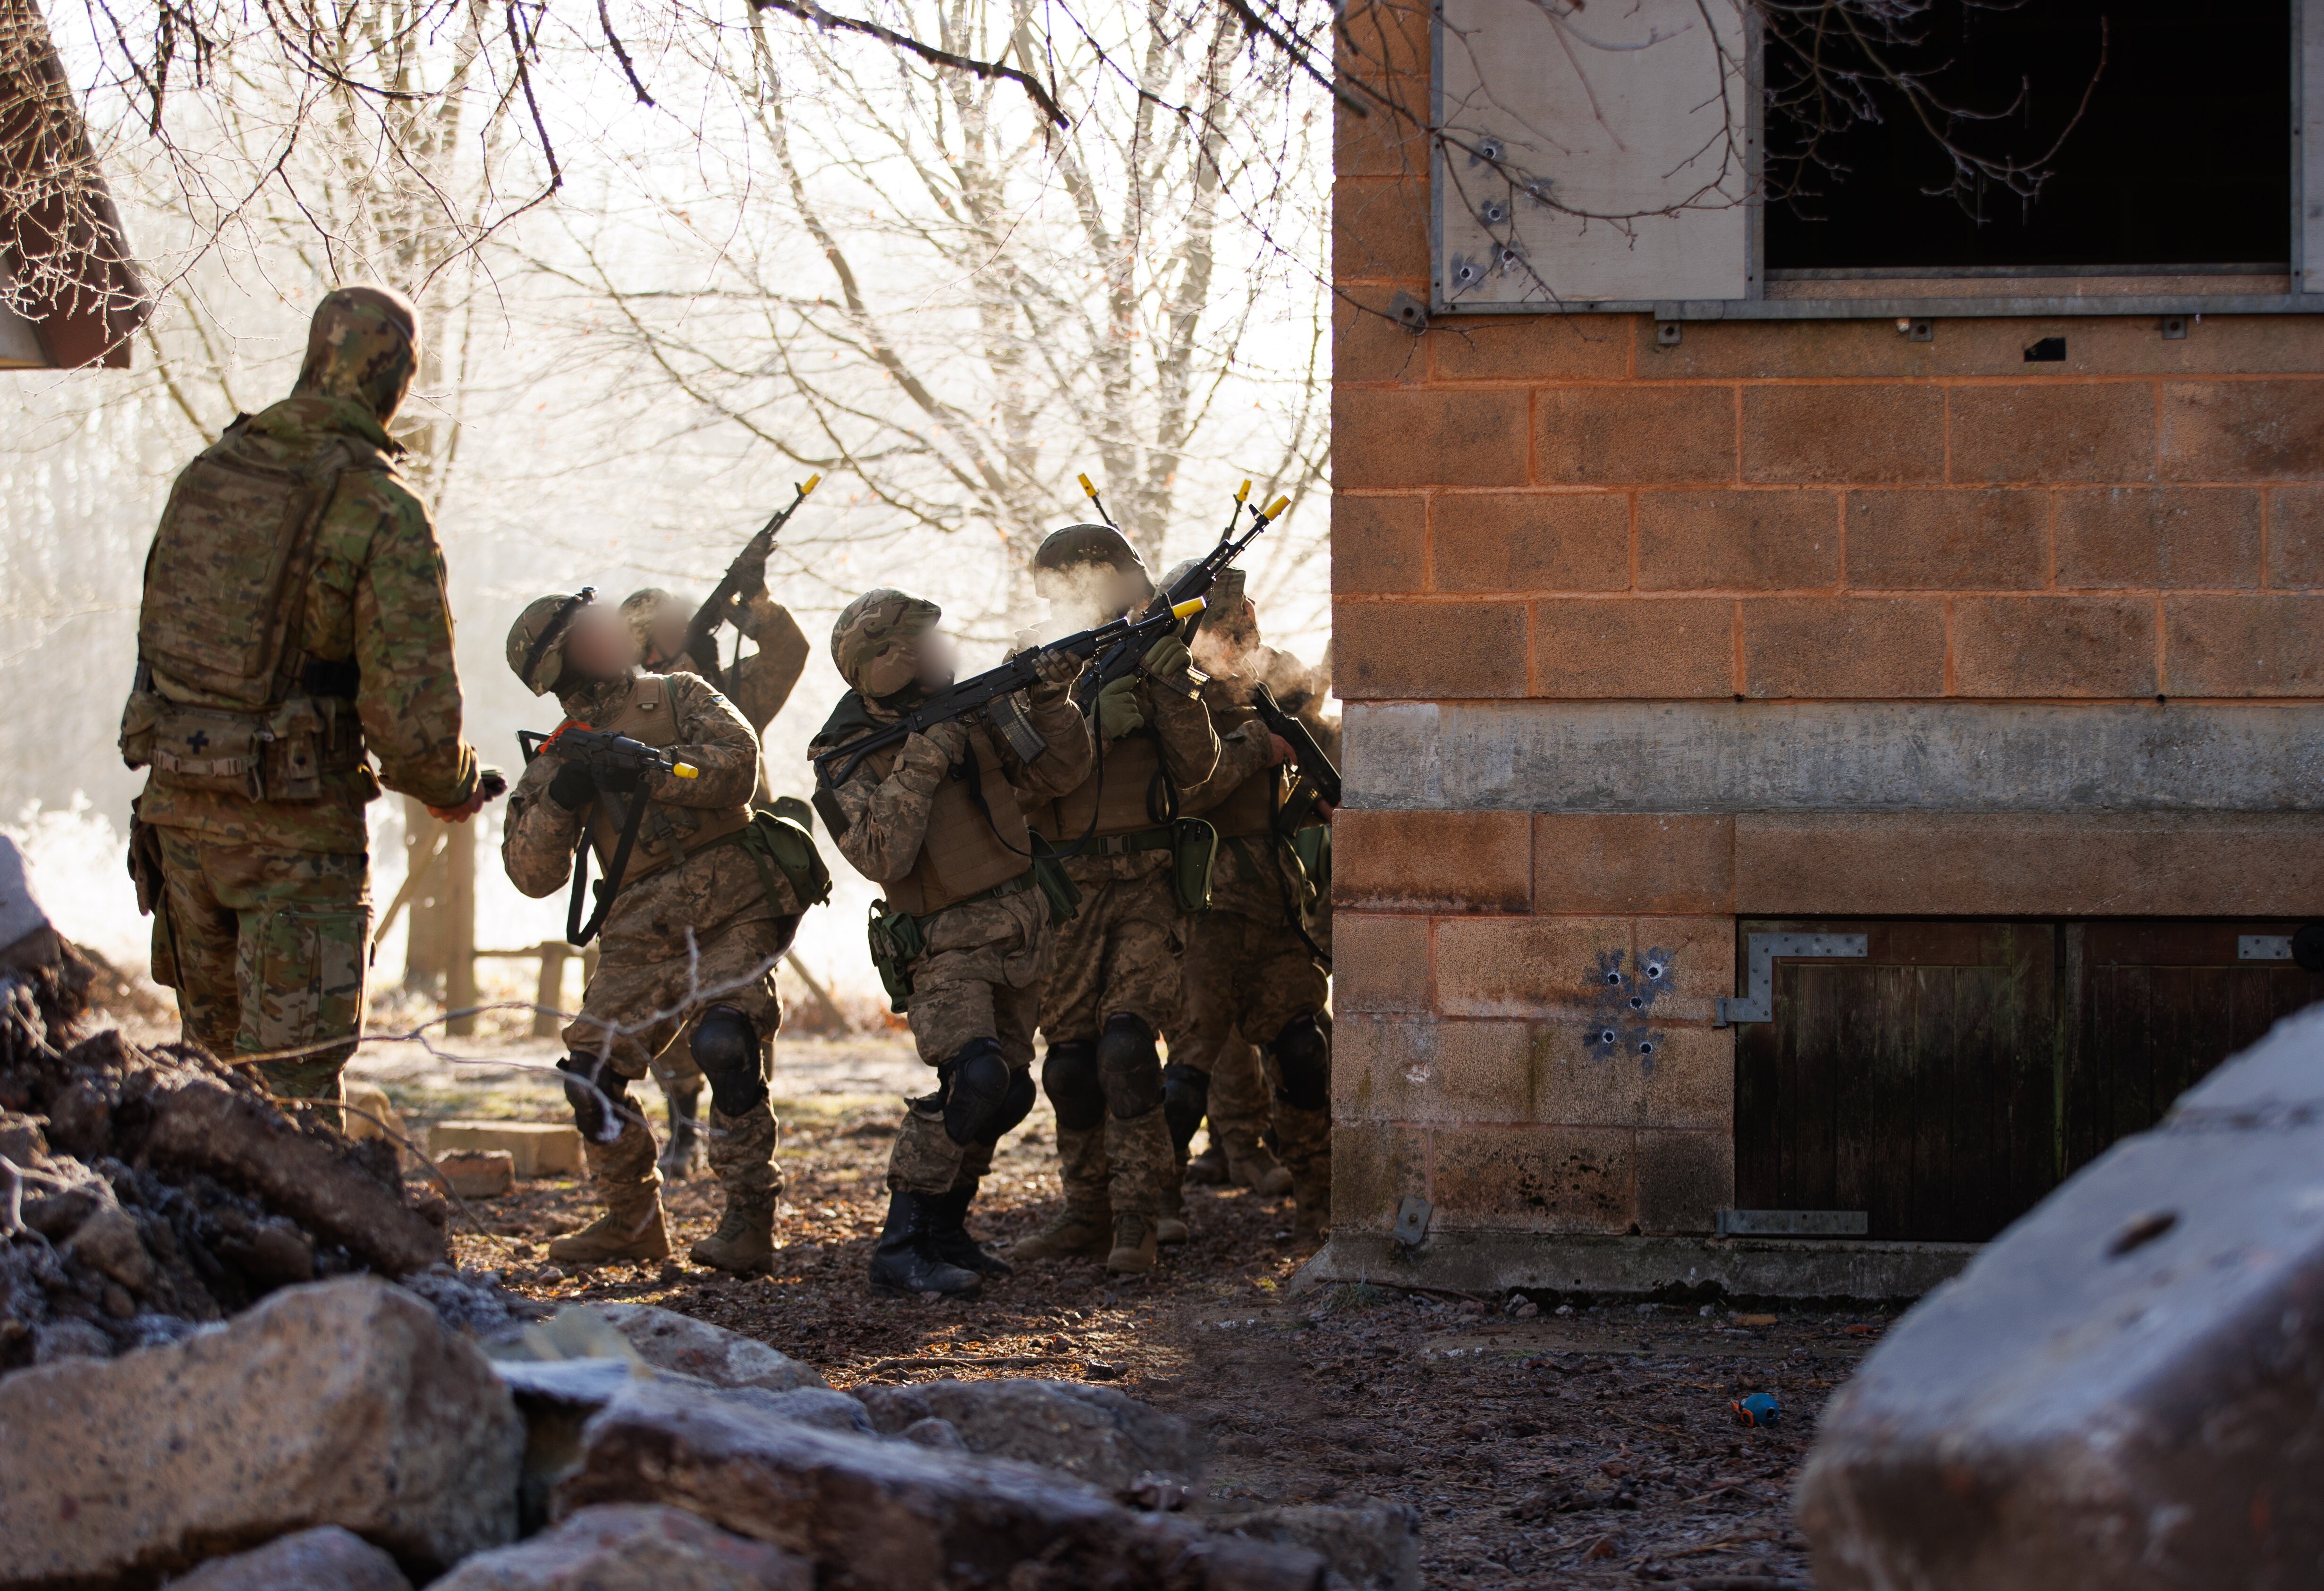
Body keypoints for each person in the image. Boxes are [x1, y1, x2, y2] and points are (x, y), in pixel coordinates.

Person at [120, 285, 486, 1120]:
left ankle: (199, 1246)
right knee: (293, 1098)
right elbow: (414, 726)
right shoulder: (381, 507)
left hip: (178, 820)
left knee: (206, 1085)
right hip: (294, 840)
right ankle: (305, 1253)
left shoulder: (210, 473)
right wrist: (454, 784)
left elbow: (156, 637)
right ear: (393, 376)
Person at [501, 591, 812, 1273]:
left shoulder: (678, 693)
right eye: (591, 632)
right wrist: (563, 795)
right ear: (558, 664)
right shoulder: (556, 756)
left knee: (725, 1041)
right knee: (589, 1081)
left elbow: (736, 765)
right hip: (640, 929)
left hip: (734, 901)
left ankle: (749, 1220)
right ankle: (633, 1220)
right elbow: (530, 872)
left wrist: (648, 768)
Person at [809, 589, 1092, 1299]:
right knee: (973, 1078)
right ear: (885, 664)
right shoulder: (841, 753)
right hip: (941, 944)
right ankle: (900, 1244)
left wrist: (1054, 698)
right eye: (921, 646)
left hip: (1017, 924)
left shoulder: (970, 707)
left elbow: (1058, 777)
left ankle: (946, 1229)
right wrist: (925, 753)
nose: (942, 654)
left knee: (1009, 1089)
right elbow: (882, 853)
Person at [1006, 525, 1219, 1275]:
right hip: (1066, 886)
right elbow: (1019, 783)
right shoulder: (1033, 663)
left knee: (1128, 1047)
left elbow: (1196, 770)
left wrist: (1172, 689)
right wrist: (1080, 720)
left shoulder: (1162, 653)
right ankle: (1084, 1210)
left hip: (1147, 882)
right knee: (1068, 1064)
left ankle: (1140, 1217)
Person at [618, 580, 812, 1180]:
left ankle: (747, 1153)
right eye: (669, 629)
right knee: (668, 1006)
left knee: (741, 1013)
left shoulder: (724, 694)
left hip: (741, 873)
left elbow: (788, 655)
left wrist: (752, 605)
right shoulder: (626, 705)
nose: (683, 635)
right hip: (660, 875)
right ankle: (681, 1124)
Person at [1171, 568, 1337, 1243]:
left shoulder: (1271, 686)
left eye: (1246, 622)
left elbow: (1317, 745)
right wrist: (1249, 752)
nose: (1240, 636)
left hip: (1274, 905)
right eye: (1224, 625)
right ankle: (1148, 1209)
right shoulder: (1170, 701)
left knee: (1303, 1052)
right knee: (1184, 1071)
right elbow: (1179, 794)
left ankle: (1321, 1206)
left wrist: (1319, 791)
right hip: (1201, 912)